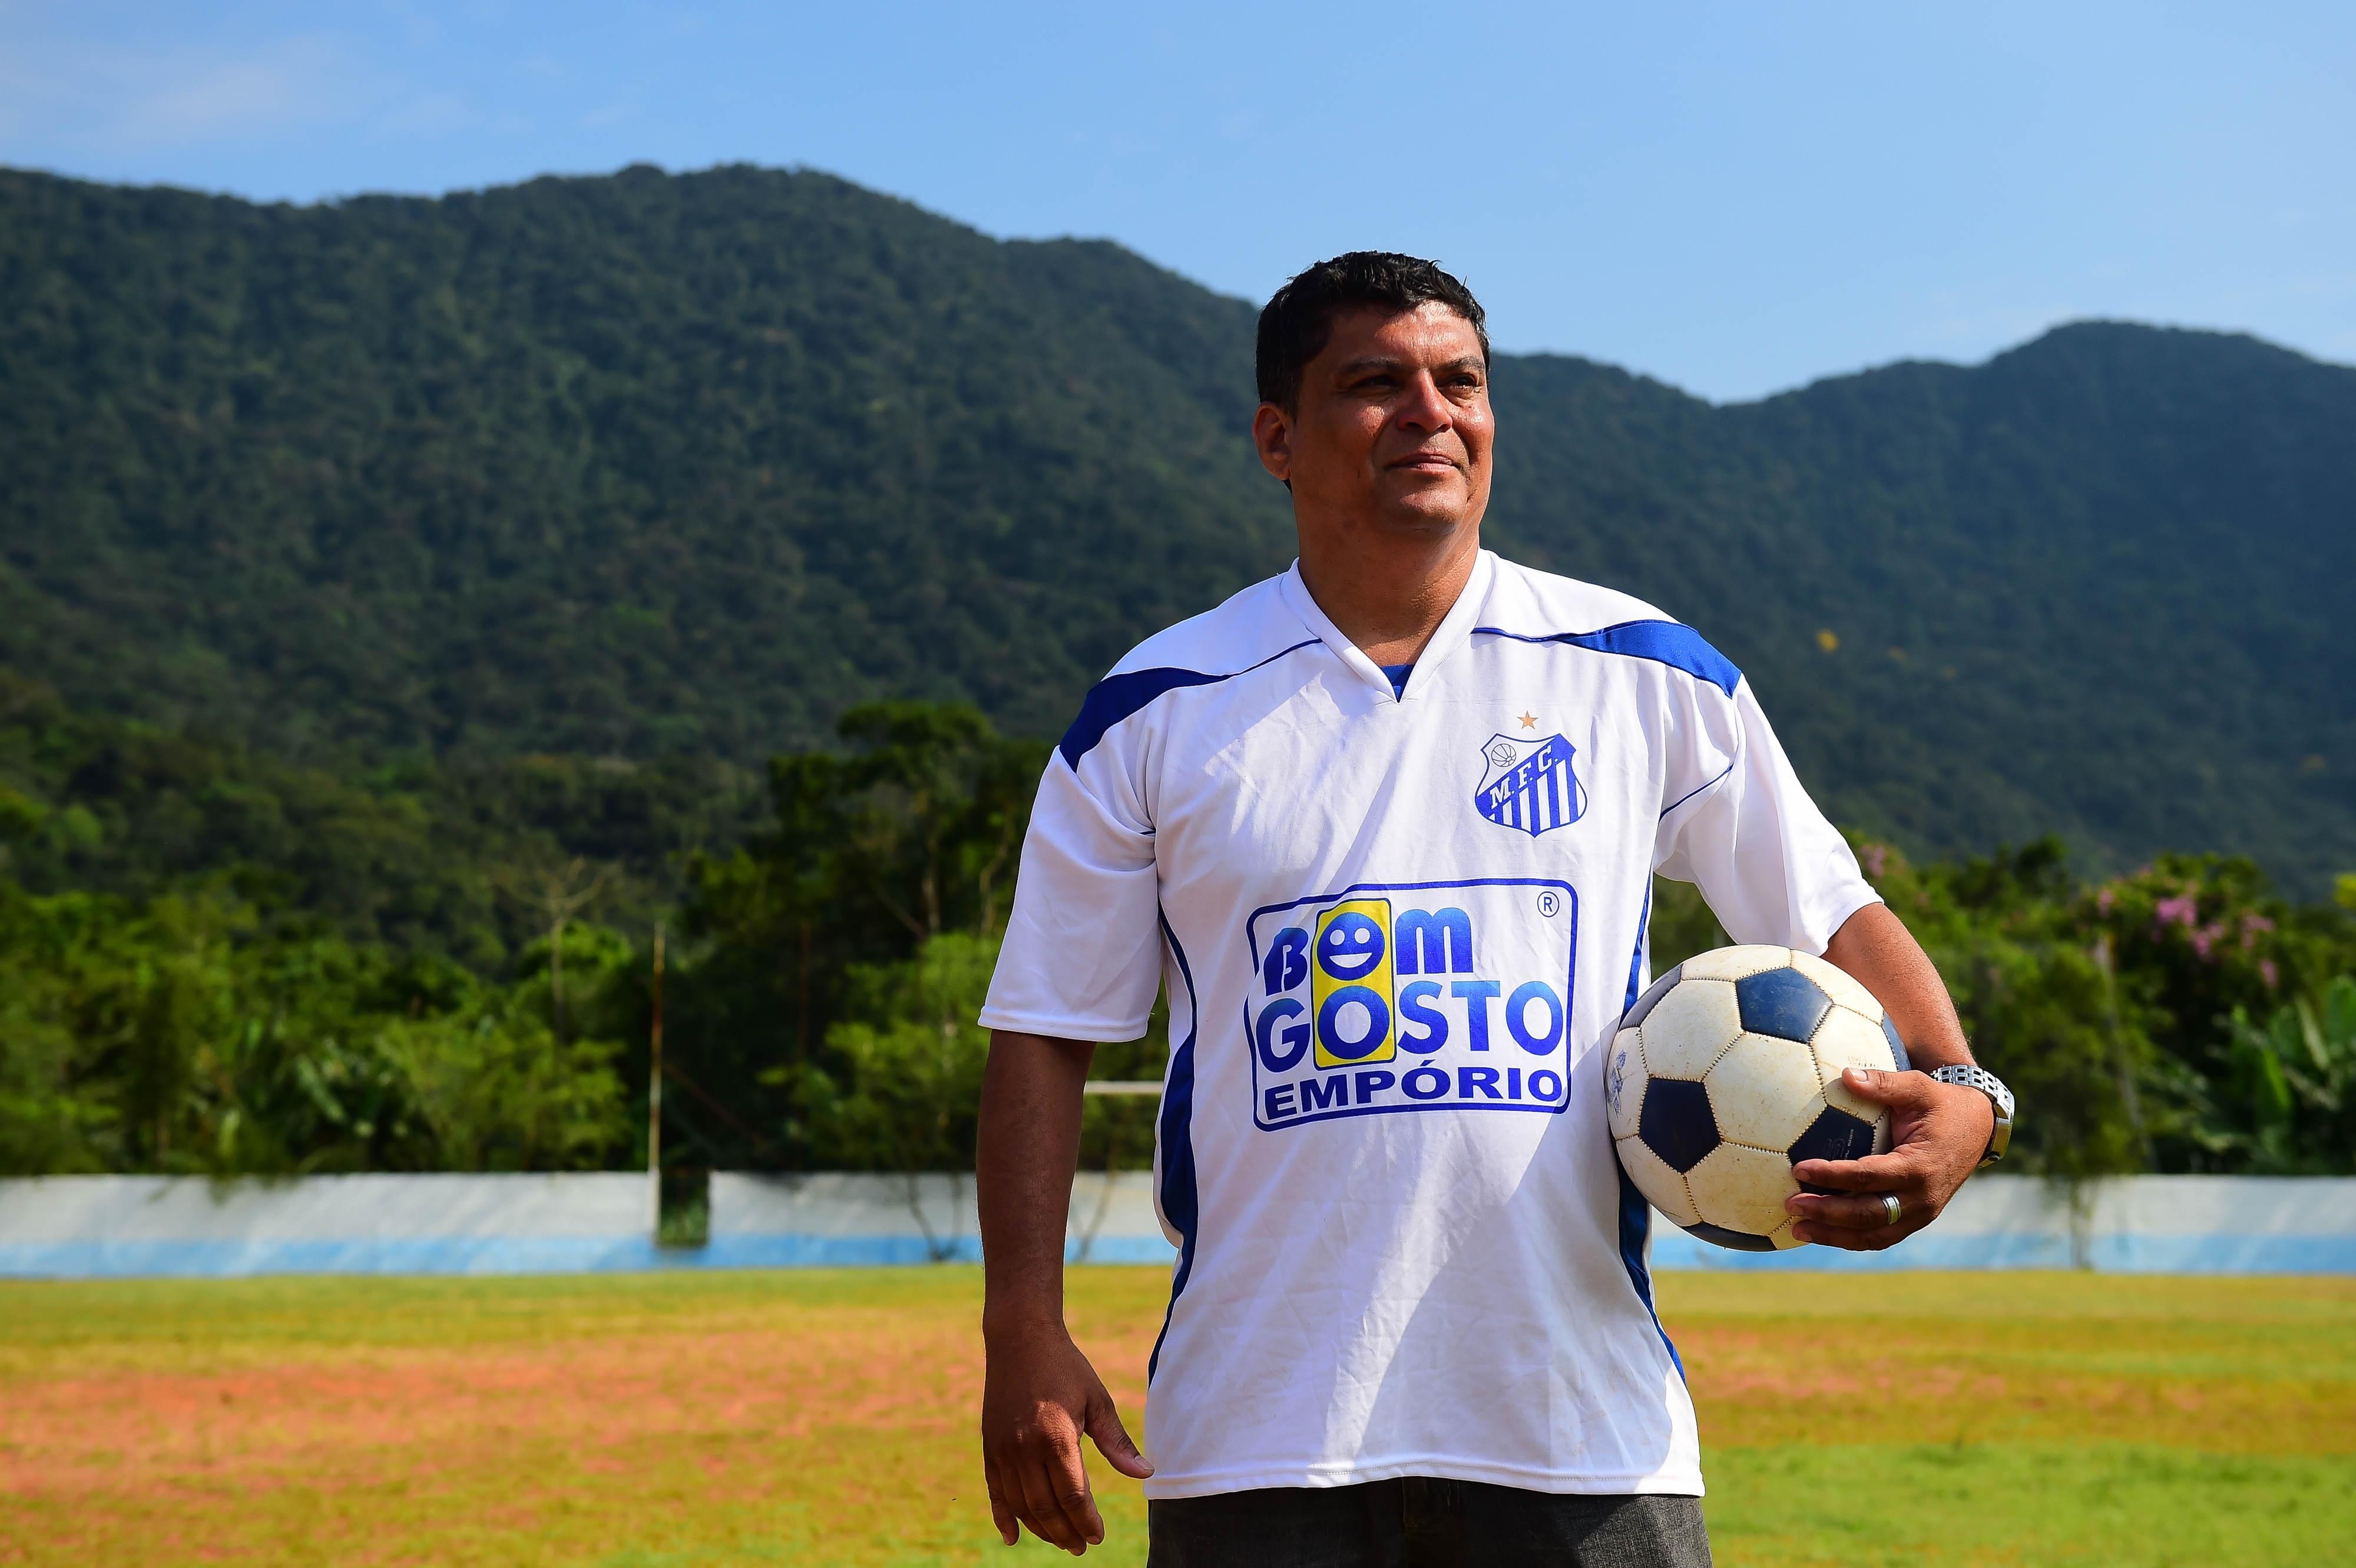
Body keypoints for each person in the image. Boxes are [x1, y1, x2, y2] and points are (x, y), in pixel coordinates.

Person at [973, 253, 2013, 1566]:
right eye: (1373, 383)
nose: (1428, 409)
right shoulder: (1155, 707)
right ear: (1275, 438)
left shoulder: (1638, 669)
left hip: (1580, 1434)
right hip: (1258, 1433)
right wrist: (1022, 1326)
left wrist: (1961, 1083)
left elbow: (1825, 902)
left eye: (1456, 380)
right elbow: (1043, 1029)